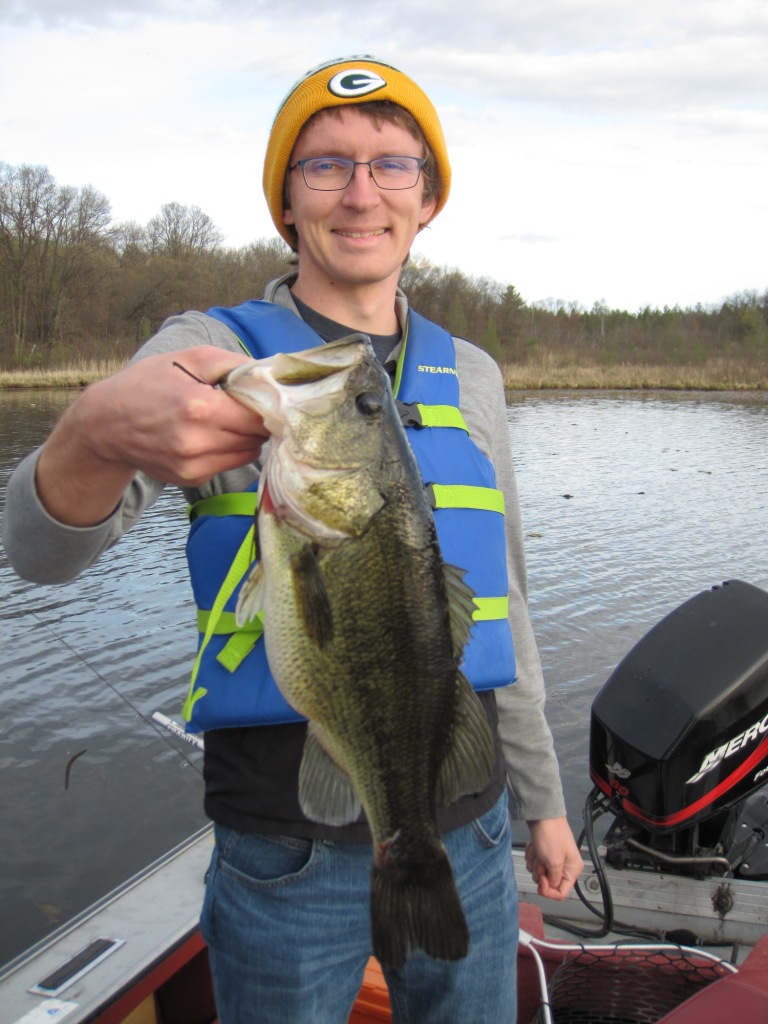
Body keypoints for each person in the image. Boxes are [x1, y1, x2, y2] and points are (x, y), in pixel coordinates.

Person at [1, 56, 583, 1023]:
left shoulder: (471, 372)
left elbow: (502, 600)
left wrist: (545, 802)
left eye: (393, 165)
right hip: (282, 846)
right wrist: (92, 433)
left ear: (427, 199)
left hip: (469, 835)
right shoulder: (211, 350)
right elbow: (37, 555)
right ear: (286, 198)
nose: (362, 194)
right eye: (326, 165)